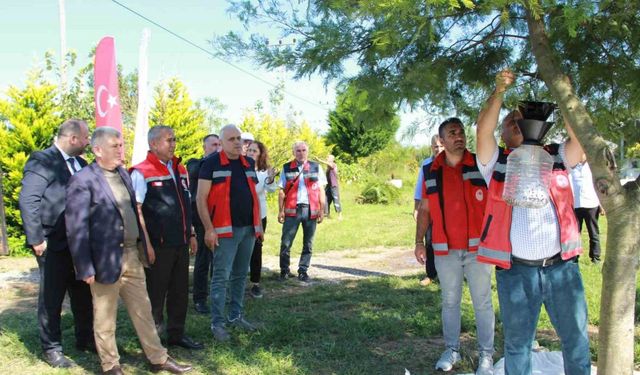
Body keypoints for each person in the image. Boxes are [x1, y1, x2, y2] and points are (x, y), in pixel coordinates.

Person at [476, 69, 590, 375]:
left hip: (561, 269)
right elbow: (482, 132)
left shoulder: (556, 156)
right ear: (504, 134)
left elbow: (579, 138)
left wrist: (565, 95)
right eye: (510, 121)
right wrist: (498, 91)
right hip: (516, 272)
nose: (517, 122)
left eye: (521, 118)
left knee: (576, 341)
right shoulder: (497, 162)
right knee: (517, 345)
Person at [65, 127, 192, 375]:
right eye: (115, 146)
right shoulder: (82, 181)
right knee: (105, 318)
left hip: (132, 255)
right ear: (98, 150)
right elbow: (76, 227)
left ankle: (158, 359)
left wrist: (144, 244)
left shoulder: (123, 174)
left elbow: (135, 213)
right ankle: (111, 366)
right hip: (104, 259)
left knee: (143, 310)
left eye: (121, 145)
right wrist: (84, 266)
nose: (120, 150)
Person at [414, 118, 495, 375]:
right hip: (445, 249)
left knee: (482, 302)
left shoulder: (480, 164)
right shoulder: (431, 170)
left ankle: (486, 356)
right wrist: (418, 242)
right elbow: (424, 209)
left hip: (477, 249)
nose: (458, 136)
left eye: (461, 132)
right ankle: (451, 349)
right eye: (452, 133)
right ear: (442, 140)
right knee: (450, 301)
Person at [18, 119, 94, 368]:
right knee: (52, 297)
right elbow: (29, 200)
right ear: (73, 139)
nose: (87, 142)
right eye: (85, 138)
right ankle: (51, 348)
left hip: (80, 243)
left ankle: (85, 338)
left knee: (82, 292)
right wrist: (36, 238)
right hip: (53, 242)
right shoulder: (43, 160)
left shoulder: (81, 164)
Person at [130, 125, 203, 350]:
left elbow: (185, 206)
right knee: (155, 294)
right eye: (169, 140)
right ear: (153, 144)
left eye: (174, 139)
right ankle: (151, 341)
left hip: (180, 242)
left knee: (180, 292)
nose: (173, 144)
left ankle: (176, 335)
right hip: (158, 246)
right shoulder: (141, 172)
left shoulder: (180, 169)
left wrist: (191, 232)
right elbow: (137, 210)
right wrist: (146, 244)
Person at [196, 124, 264, 342]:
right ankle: (217, 323)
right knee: (220, 277)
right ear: (222, 142)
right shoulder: (210, 163)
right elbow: (200, 198)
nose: (237, 142)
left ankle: (236, 316)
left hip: (248, 229)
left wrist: (258, 224)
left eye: (239, 138)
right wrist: (208, 229)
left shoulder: (248, 163)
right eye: (232, 139)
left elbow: (253, 194)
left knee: (240, 274)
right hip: (224, 231)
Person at [278, 141, 326, 282]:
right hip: (292, 210)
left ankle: (303, 270)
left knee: (308, 243)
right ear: (293, 152)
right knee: (286, 242)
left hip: (311, 210)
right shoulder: (286, 167)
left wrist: (322, 210)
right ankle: (284, 270)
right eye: (298, 150)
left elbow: (321, 190)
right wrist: (280, 211)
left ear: (307, 151)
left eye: (304, 150)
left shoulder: (316, 167)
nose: (301, 153)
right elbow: (281, 191)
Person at [186, 134, 220, 314]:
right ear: (205, 147)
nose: (217, 147)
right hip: (200, 216)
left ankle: (217, 295)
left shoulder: (223, 165)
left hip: (220, 216)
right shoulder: (195, 163)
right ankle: (199, 298)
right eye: (214, 144)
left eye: (219, 144)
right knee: (202, 259)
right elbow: (194, 171)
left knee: (219, 258)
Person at [246, 141, 278, 298]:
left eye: (254, 151)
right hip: (242, 214)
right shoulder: (240, 168)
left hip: (259, 215)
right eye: (249, 150)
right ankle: (235, 282)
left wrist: (271, 179)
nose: (251, 152)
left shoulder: (264, 171)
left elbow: (271, 189)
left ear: (260, 154)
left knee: (256, 248)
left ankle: (255, 283)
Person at [413, 135, 444, 286]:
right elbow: (419, 188)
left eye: (440, 146)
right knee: (430, 241)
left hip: (448, 210)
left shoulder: (452, 163)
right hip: (428, 209)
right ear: (431, 147)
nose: (438, 149)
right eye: (435, 146)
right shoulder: (426, 164)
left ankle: (457, 274)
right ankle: (430, 275)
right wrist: (416, 208)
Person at [570, 156, 603, 264]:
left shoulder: (592, 167)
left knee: (593, 233)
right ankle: (574, 256)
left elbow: (598, 186)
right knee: (575, 233)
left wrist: (601, 204)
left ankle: (595, 258)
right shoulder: (571, 166)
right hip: (576, 204)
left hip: (591, 204)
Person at [322, 155, 342, 219]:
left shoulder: (333, 165)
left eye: (328, 157)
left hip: (334, 186)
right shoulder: (328, 167)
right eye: (327, 157)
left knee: (335, 199)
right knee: (325, 199)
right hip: (328, 186)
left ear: (332, 159)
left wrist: (320, 160)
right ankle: (327, 214)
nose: (326, 158)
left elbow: (330, 165)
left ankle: (340, 215)